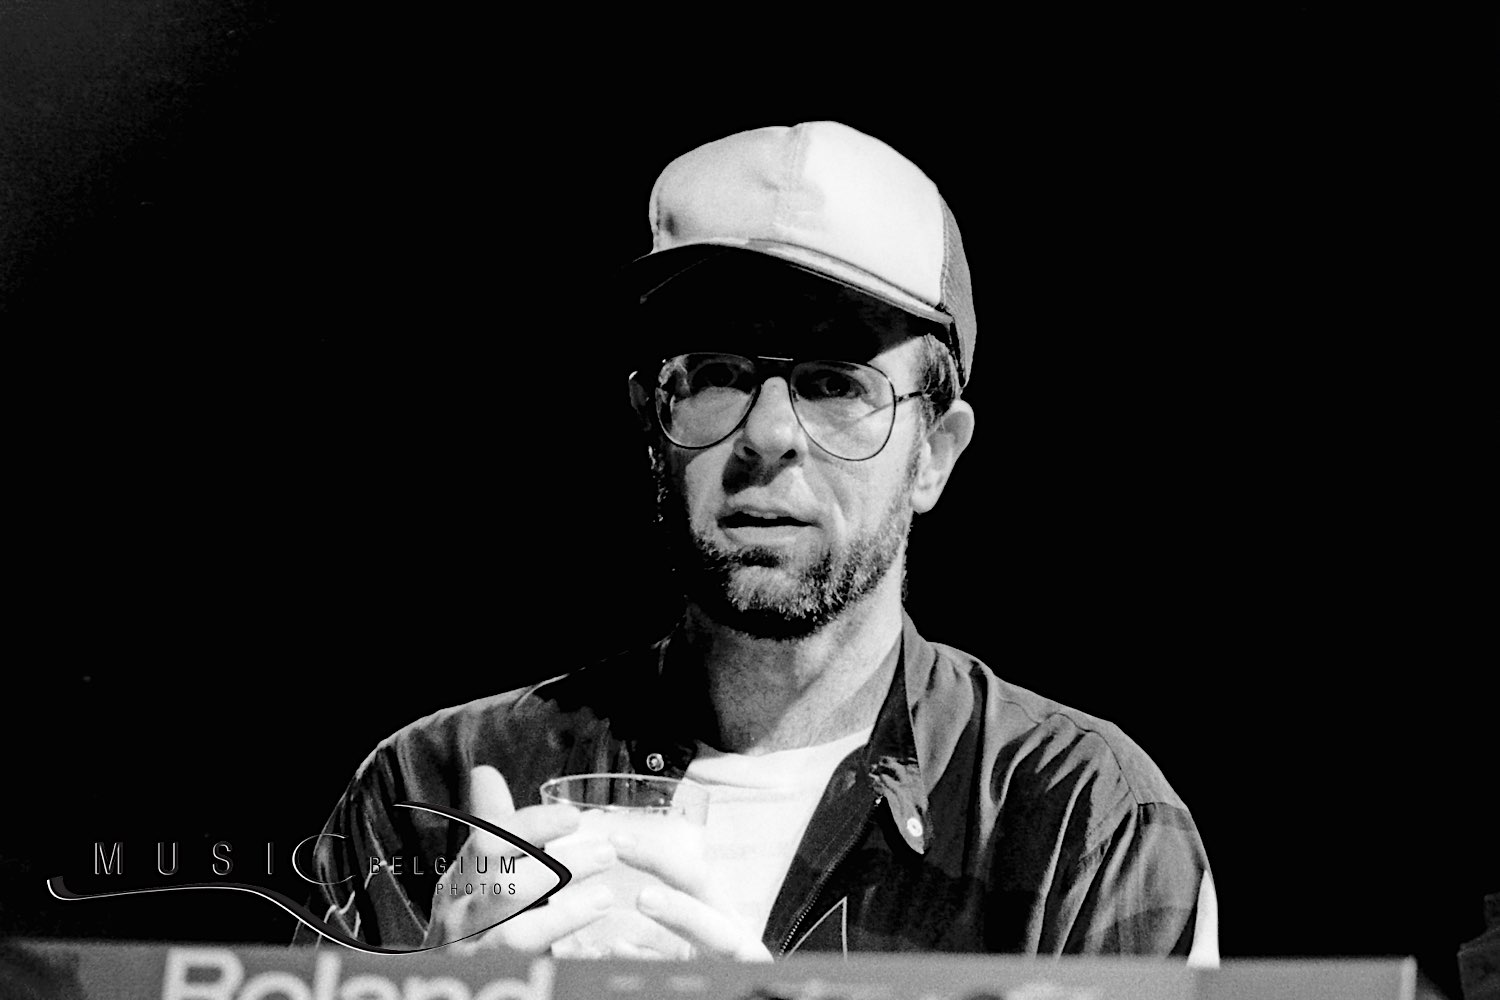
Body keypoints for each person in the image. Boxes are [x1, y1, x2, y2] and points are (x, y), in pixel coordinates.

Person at [296, 121, 1218, 964]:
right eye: (718, 373)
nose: (768, 434)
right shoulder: (433, 795)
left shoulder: (1081, 822)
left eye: (835, 382)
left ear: (934, 454)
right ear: (651, 424)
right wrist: (442, 999)